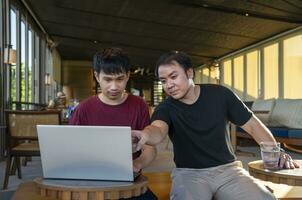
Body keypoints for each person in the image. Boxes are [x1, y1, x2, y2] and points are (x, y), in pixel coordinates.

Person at [132, 51, 299, 200]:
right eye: (163, 80)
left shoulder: (220, 94)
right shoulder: (166, 108)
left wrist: (275, 152)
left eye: (173, 76)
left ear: (190, 72)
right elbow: (158, 129)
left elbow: (253, 126)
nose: (168, 85)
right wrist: (145, 135)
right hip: (189, 174)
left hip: (228, 171)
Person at [69, 47, 157, 200]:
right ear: (97, 76)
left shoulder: (139, 105)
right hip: (92, 180)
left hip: (129, 182)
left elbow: (150, 149)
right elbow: (70, 150)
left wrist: (137, 164)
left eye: (120, 79)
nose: (114, 87)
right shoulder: (83, 109)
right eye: (108, 79)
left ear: (128, 76)